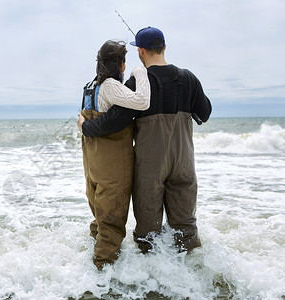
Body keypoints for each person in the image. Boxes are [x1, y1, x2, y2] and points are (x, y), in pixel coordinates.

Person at [78, 27, 212, 254]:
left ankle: (150, 282)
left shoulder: (137, 84)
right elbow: (205, 113)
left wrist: (86, 126)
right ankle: (192, 277)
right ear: (164, 47)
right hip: (184, 162)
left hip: (151, 166)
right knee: (186, 227)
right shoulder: (188, 78)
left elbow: (114, 121)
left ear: (141, 52)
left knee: (148, 233)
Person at [79, 40, 151, 269]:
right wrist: (139, 72)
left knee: (100, 219)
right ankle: (100, 280)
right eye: (124, 63)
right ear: (120, 64)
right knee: (111, 221)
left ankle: (84, 267)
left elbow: (86, 121)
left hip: (92, 164)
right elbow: (142, 101)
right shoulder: (110, 86)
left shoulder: (90, 86)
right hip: (112, 165)